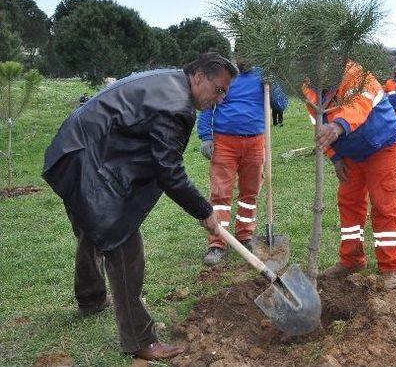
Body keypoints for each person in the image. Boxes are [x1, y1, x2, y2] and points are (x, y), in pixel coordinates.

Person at [42, 53, 237, 360]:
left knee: (92, 227)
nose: (221, 98)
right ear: (198, 76)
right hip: (85, 158)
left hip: (73, 150)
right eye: (220, 89)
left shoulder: (170, 81)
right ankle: (139, 340)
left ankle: (91, 299)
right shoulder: (176, 107)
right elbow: (169, 171)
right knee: (124, 246)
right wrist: (204, 211)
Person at [304, 61, 396, 289]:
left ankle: (390, 267)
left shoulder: (357, 75)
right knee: (348, 203)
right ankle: (351, 260)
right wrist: (335, 156)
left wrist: (337, 128)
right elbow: (317, 123)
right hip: (348, 152)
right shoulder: (309, 89)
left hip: (380, 143)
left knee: (383, 204)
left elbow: (359, 106)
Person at [197, 55, 265, 265]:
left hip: (255, 141)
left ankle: (245, 236)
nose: (244, 59)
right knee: (220, 194)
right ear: (235, 54)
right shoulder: (224, 77)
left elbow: (280, 104)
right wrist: (206, 137)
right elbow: (208, 106)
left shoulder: (264, 77)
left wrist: (274, 85)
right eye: (240, 53)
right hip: (224, 142)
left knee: (250, 192)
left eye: (249, 53)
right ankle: (217, 243)